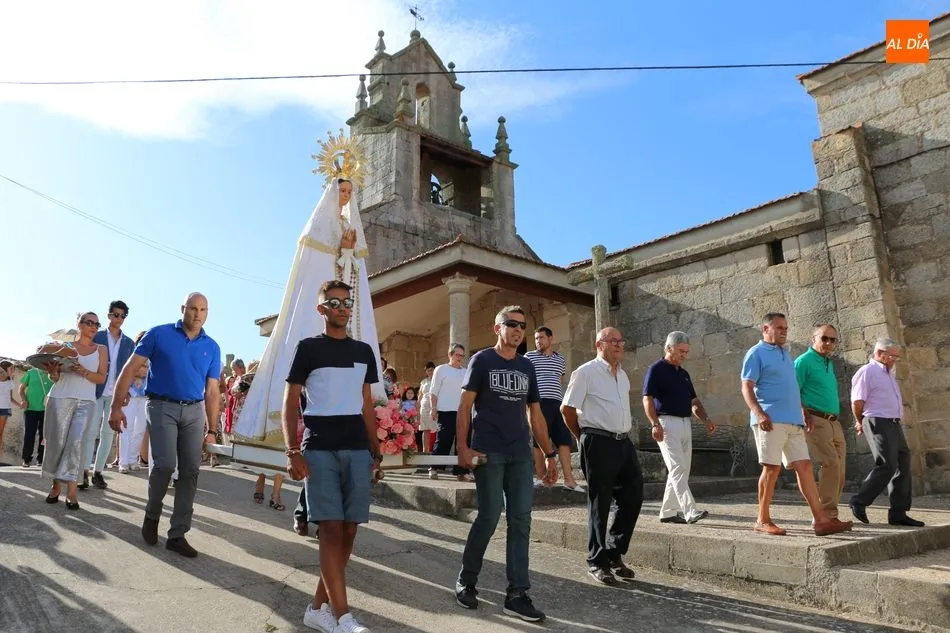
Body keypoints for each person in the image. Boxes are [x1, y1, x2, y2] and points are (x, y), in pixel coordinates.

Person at [234, 178, 385, 448]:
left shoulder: (351, 228)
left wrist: (349, 253)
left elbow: (348, 281)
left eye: (350, 192)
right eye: (341, 191)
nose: (345, 196)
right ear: (331, 193)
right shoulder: (318, 230)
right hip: (318, 312)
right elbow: (322, 278)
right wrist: (342, 254)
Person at [282, 280, 379, 633]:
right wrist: (293, 449)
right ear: (321, 309)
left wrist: (376, 449)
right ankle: (344, 618)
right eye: (333, 302)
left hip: (357, 448)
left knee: (350, 529)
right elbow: (290, 400)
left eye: (345, 302)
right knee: (331, 529)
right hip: (319, 447)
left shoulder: (365, 351)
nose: (341, 307)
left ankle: (316, 608)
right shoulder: (308, 348)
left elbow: (366, 402)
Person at [454, 306, 558, 622]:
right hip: (488, 450)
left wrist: (550, 454)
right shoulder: (482, 360)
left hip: (520, 453)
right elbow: (464, 406)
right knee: (488, 516)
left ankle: (516, 594)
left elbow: (535, 414)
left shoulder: (527, 367)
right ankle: (466, 580)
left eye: (522, 326)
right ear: (496, 328)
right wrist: (462, 446)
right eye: (510, 324)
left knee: (521, 519)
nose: (517, 329)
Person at [109, 292, 221, 557]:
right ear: (183, 308)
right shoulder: (158, 334)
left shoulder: (212, 346)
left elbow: (213, 391)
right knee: (165, 465)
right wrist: (116, 407)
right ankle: (151, 516)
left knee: (191, 470)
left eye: (202, 309)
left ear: (207, 312)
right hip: (161, 406)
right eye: (192, 308)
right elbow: (129, 368)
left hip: (194, 411)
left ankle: (178, 534)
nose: (197, 314)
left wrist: (213, 429)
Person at [740, 313, 852, 537]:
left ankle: (821, 520)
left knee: (805, 467)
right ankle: (762, 520)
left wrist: (804, 412)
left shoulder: (785, 354)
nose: (784, 331)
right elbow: (747, 386)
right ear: (765, 329)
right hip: (770, 421)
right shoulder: (756, 353)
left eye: (786, 328)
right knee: (771, 469)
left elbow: (792, 389)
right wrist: (759, 414)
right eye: (779, 327)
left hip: (794, 421)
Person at [562, 327, 643, 586]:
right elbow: (567, 409)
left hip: (623, 442)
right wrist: (583, 438)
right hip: (597, 441)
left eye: (621, 340)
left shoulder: (623, 375)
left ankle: (614, 552)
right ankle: (597, 561)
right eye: (613, 341)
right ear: (599, 344)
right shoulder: (585, 372)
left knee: (633, 497)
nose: (619, 345)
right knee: (601, 502)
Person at [849, 338, 924, 527]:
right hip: (876, 420)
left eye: (897, 357)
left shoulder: (888, 373)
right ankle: (859, 501)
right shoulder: (867, 371)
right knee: (887, 464)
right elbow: (857, 402)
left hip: (892, 423)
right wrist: (860, 421)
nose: (894, 360)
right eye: (892, 356)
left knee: (902, 462)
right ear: (879, 353)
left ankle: (898, 513)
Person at [643, 331, 715, 525]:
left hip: (685, 423)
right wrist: (655, 424)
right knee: (678, 467)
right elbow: (647, 398)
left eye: (686, 351)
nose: (685, 355)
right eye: (681, 351)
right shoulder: (656, 369)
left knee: (682, 469)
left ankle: (667, 512)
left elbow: (694, 401)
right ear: (669, 348)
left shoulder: (683, 374)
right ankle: (690, 511)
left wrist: (706, 419)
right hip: (666, 423)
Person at [39, 312, 108, 510]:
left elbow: (101, 378)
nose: (94, 326)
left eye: (96, 323)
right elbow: (55, 378)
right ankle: (55, 488)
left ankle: (72, 492)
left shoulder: (101, 350)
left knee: (76, 446)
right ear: (79, 324)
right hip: (59, 398)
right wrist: (53, 372)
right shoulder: (65, 348)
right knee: (57, 444)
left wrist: (83, 372)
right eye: (89, 322)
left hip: (86, 401)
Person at [80, 300, 134, 491]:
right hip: (95, 389)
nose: (118, 318)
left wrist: (126, 391)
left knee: (108, 433)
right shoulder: (98, 336)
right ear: (109, 315)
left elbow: (130, 370)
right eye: (115, 314)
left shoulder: (128, 343)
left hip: (115, 393)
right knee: (90, 431)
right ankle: (84, 472)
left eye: (122, 316)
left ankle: (98, 472)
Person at [795, 324, 846, 520]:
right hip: (815, 419)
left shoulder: (828, 362)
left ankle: (829, 511)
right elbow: (793, 390)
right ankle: (826, 514)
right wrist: (804, 415)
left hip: (834, 421)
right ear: (813, 339)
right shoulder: (804, 361)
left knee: (840, 469)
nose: (828, 343)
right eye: (824, 338)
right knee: (831, 464)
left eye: (832, 340)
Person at [524, 326, 582, 491]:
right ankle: (541, 478)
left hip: (557, 403)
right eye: (536, 338)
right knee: (538, 442)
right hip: (538, 403)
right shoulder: (529, 357)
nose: (538, 341)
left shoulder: (560, 359)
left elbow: (561, 379)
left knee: (564, 440)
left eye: (541, 337)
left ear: (550, 339)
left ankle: (569, 481)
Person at [428, 344, 468, 480]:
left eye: (462, 356)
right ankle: (434, 468)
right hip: (445, 411)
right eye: (457, 355)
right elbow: (433, 391)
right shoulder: (441, 370)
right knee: (444, 440)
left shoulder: (465, 371)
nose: (460, 358)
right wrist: (433, 408)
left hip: (462, 412)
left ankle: (461, 472)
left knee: (463, 441)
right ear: (450, 355)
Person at [117, 331, 149, 473]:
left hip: (145, 397)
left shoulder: (153, 357)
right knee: (126, 428)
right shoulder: (132, 353)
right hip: (130, 395)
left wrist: (144, 370)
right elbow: (126, 371)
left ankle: (133, 459)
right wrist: (139, 371)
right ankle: (123, 462)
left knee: (140, 430)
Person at [19, 365, 54, 467]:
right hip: (30, 409)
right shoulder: (31, 372)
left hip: (47, 410)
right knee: (29, 434)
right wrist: (24, 400)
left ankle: (41, 459)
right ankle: (26, 459)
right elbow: (21, 389)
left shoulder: (53, 373)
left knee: (44, 436)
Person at [0, 360, 27, 457]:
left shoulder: (10, 382)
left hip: (5, 408)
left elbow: (10, 397)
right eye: (11, 369)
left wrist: (19, 404)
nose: (13, 371)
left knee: (1, 433)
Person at [417, 361, 436, 453]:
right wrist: (418, 406)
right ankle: (425, 450)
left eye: (431, 370)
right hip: (424, 407)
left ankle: (436, 450)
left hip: (434, 406)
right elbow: (420, 395)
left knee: (436, 428)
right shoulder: (423, 382)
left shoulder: (438, 380)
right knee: (425, 429)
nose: (430, 372)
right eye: (428, 371)